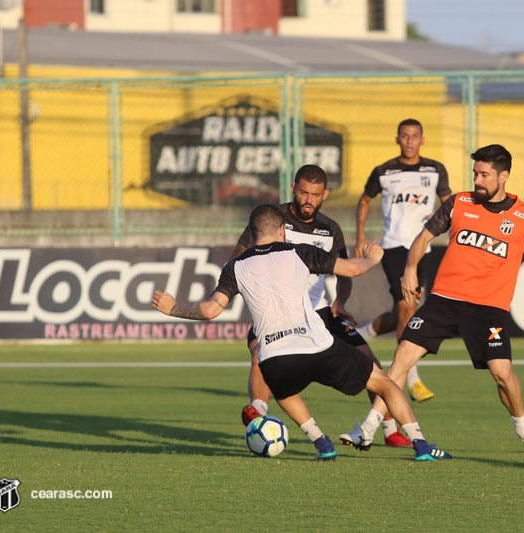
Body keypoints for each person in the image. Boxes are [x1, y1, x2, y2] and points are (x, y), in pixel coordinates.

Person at [341, 144, 524, 454]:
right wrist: (411, 268)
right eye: (475, 174)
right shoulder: (459, 203)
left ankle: (523, 428)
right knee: (401, 358)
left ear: (504, 176)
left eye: (484, 175)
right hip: (444, 300)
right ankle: (369, 427)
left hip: (487, 308)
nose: (477, 180)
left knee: (502, 375)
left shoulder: (523, 216)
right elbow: (424, 237)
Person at [153, 204, 452, 461]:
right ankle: (421, 445)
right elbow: (353, 269)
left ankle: (322, 443)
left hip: (274, 357)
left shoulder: (235, 267)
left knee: (284, 392)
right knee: (384, 383)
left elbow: (209, 310)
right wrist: (373, 258)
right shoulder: (299, 252)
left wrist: (174, 308)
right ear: (282, 230)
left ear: (252, 233)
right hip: (316, 346)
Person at [230, 164, 411, 448]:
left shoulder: (329, 229)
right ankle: (258, 413)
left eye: (315, 194)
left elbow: (344, 271)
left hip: (321, 311)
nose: (308, 200)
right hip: (280, 314)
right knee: (258, 354)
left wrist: (341, 300)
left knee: (371, 363)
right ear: (293, 189)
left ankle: (388, 428)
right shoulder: (272, 220)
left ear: (324, 194)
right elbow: (240, 256)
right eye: (303, 192)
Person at [354, 118, 452, 403]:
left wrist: (446, 223)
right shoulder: (384, 171)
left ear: (422, 139)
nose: (409, 141)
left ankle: (360, 334)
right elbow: (363, 200)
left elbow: (449, 203)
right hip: (394, 246)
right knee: (407, 305)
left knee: (405, 312)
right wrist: (361, 236)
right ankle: (411, 378)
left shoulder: (435, 170)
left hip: (422, 247)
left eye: (415, 136)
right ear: (397, 139)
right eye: (405, 136)